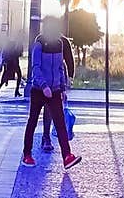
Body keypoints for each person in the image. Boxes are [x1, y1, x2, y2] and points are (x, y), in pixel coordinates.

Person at [22, 17, 81, 169]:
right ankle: (27, 155)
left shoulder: (59, 44)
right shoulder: (39, 43)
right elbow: (35, 67)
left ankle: (67, 156)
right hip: (39, 90)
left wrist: (62, 88)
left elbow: (61, 67)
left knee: (60, 124)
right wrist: (44, 86)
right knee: (32, 122)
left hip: (54, 90)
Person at [40, 32, 75, 152]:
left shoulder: (63, 41)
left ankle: (52, 139)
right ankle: (46, 137)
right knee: (48, 109)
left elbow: (69, 60)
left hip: (58, 80)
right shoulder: (41, 39)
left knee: (56, 110)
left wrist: (69, 78)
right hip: (45, 81)